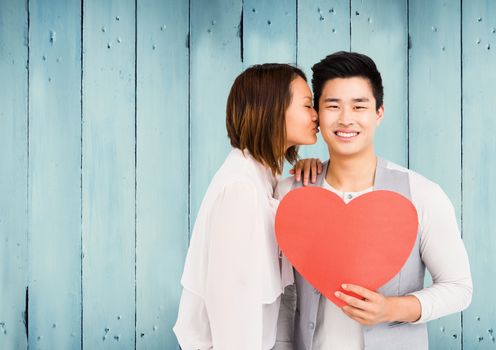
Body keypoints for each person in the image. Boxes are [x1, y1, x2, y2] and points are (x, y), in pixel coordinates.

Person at [277, 51, 473, 350]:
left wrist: (392, 308)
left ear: (379, 112)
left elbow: (459, 288)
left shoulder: (422, 194)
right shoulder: (290, 193)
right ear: (317, 113)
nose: (346, 119)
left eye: (359, 106)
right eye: (333, 106)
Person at [173, 63, 319, 349]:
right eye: (307, 105)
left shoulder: (263, 178)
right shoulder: (241, 190)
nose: (316, 115)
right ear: (273, 111)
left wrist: (307, 169)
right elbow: (231, 301)